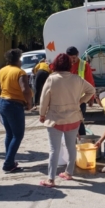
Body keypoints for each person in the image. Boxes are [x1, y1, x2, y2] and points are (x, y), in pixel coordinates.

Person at [39, 53, 95, 187]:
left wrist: (42, 114)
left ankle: (51, 179)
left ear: (56, 64)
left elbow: (44, 99)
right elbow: (91, 90)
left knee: (54, 150)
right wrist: (80, 101)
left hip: (55, 119)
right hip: (73, 118)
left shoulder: (52, 79)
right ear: (70, 65)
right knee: (71, 147)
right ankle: (69, 173)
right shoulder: (77, 79)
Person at [0, 49, 32, 173]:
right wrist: (29, 103)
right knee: (18, 135)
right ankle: (8, 163)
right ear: (18, 60)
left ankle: (10, 160)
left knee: (10, 133)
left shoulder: (2, 70)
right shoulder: (20, 72)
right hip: (15, 105)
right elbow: (25, 90)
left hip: (3, 103)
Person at [66, 46, 95, 136]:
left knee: (79, 120)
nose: (72, 60)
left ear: (78, 54)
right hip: (67, 99)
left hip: (80, 99)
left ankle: (82, 140)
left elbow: (90, 82)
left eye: (74, 58)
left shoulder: (84, 65)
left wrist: (91, 98)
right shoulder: (65, 65)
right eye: (70, 58)